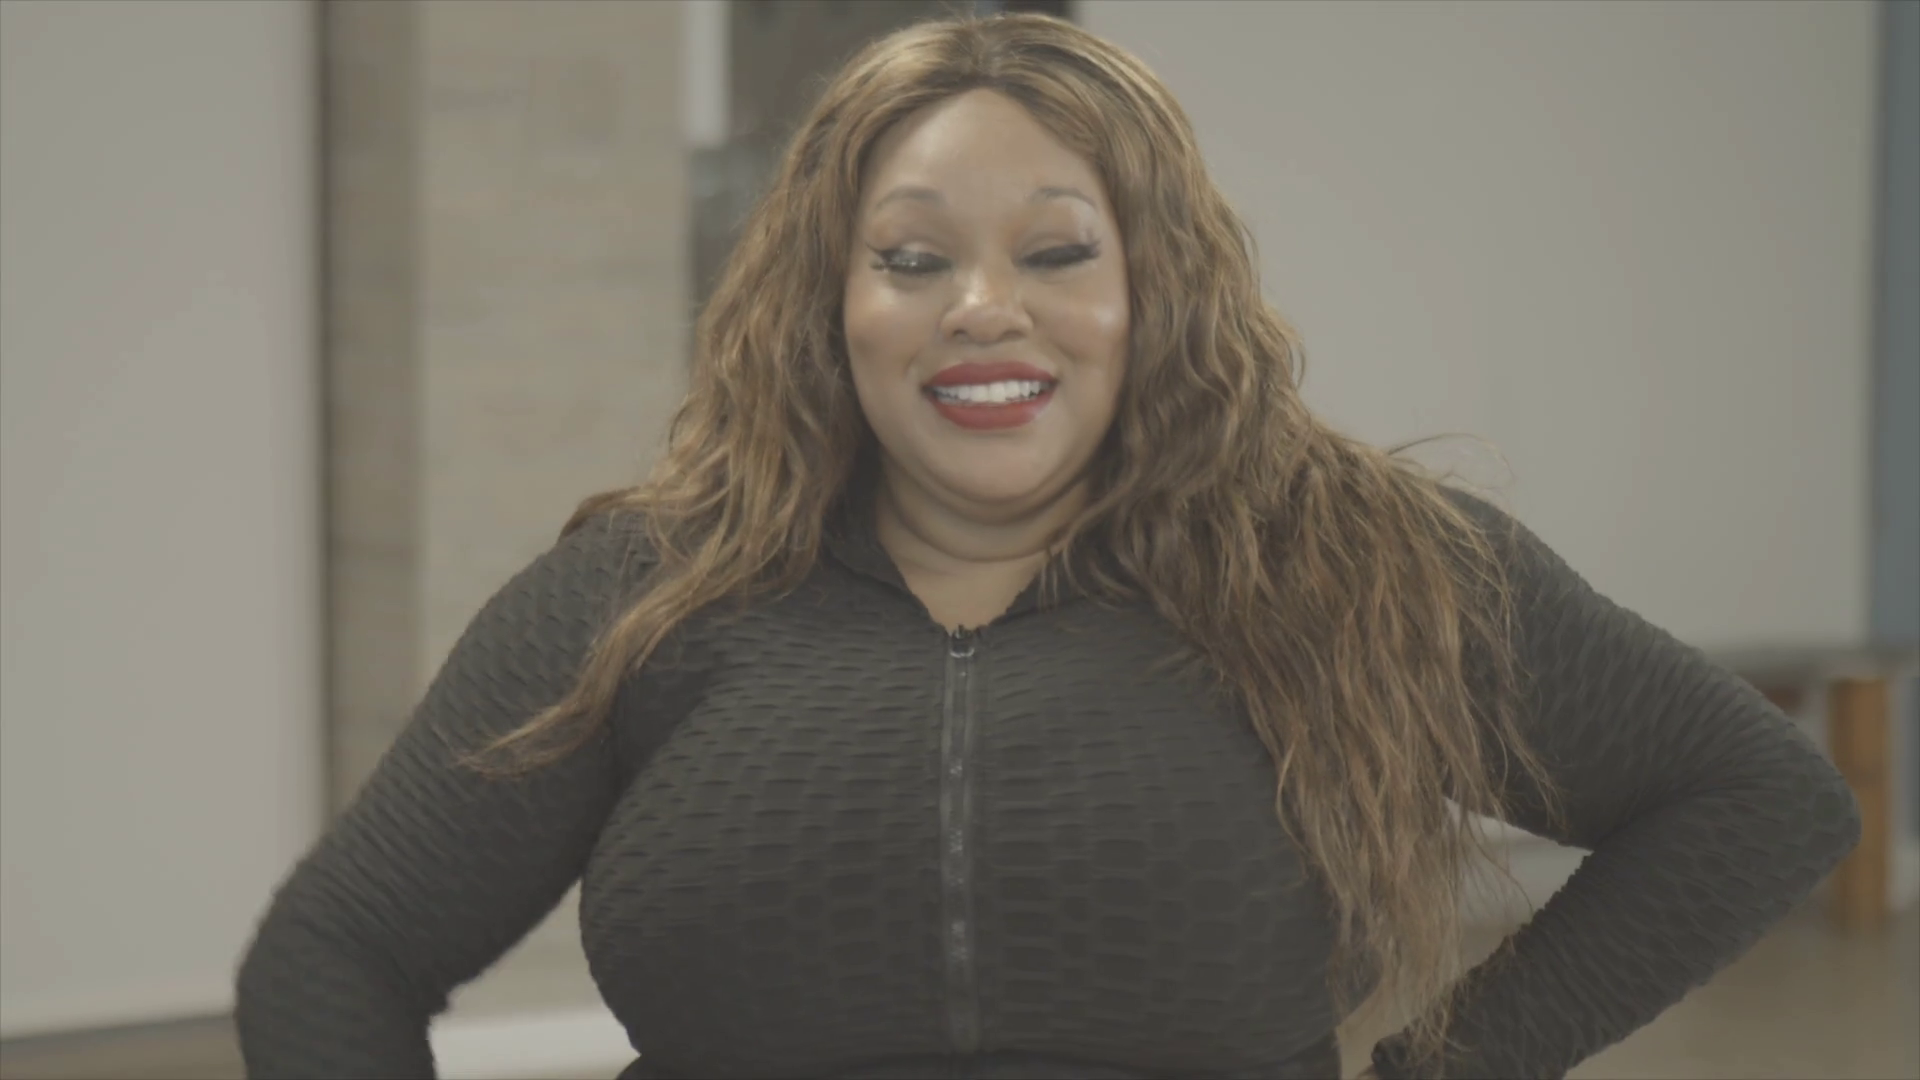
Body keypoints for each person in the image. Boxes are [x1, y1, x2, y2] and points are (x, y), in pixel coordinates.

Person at [235, 13, 1861, 1080]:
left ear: (1157, 288)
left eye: (1058, 251)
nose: (981, 308)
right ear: (831, 303)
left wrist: (1455, 1069)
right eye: (911, 258)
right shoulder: (645, 593)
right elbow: (339, 950)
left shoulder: (1354, 562)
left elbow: (1754, 797)